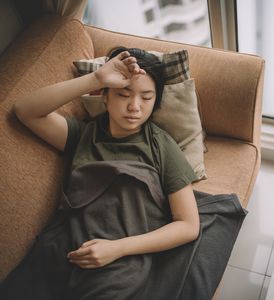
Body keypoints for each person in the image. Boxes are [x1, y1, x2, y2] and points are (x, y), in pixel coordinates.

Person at [1, 47, 200, 298]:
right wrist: (96, 79)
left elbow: (189, 225)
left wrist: (117, 249)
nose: (134, 107)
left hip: (120, 262)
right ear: (104, 96)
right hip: (63, 253)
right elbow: (25, 110)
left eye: (147, 97)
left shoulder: (161, 146)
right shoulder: (81, 135)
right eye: (123, 93)